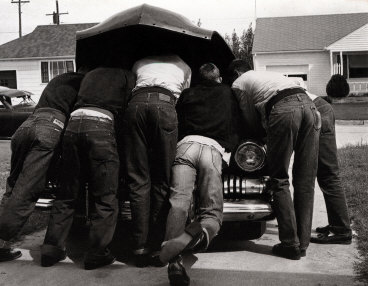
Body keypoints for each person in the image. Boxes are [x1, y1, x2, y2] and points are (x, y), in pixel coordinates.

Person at [0, 70, 86, 264]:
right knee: (27, 191)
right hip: (50, 126)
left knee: (12, 188)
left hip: (26, 125)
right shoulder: (85, 84)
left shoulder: (61, 78)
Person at [40, 67, 136, 270]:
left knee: (67, 193)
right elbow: (128, 112)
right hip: (101, 125)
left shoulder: (91, 75)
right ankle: (97, 252)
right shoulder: (126, 75)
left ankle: (51, 248)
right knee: (105, 196)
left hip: (74, 124)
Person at [228, 59, 321, 260]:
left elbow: (249, 118)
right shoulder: (266, 76)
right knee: (305, 179)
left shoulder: (239, 82)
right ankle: (302, 244)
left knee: (278, 178)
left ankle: (290, 244)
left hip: (284, 109)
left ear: (236, 73)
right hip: (309, 106)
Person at [159, 63, 239, 285]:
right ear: (218, 78)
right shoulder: (227, 92)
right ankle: (200, 232)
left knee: (179, 202)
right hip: (212, 149)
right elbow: (236, 122)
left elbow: (175, 121)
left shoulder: (187, 94)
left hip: (186, 145)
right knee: (211, 211)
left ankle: (174, 259)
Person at [123, 54, 192, 267]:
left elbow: (130, 88)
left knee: (138, 179)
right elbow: (186, 97)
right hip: (165, 105)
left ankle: (139, 247)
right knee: (163, 178)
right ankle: (157, 246)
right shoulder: (184, 65)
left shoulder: (139, 62)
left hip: (135, 106)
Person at [292, 77, 352, 244]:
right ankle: (336, 225)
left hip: (319, 112)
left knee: (329, 175)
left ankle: (342, 231)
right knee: (326, 176)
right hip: (318, 109)